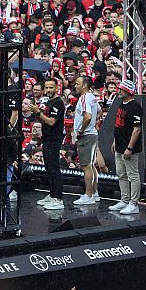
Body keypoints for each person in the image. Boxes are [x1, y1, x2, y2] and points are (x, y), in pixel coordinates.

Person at [28, 77, 67, 211]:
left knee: (54, 169)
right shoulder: (49, 102)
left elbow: (51, 122)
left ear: (57, 88)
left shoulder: (58, 103)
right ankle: (52, 194)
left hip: (54, 139)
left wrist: (37, 112)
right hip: (47, 138)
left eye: (51, 87)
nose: (49, 90)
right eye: (47, 87)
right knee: (49, 168)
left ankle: (58, 199)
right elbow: (45, 121)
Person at [111, 81, 144, 215]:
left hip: (129, 147)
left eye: (121, 89)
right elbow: (119, 126)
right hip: (119, 145)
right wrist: (115, 141)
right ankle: (124, 200)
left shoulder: (135, 107)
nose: (119, 91)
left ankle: (134, 203)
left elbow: (137, 130)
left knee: (133, 175)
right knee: (121, 174)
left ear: (128, 91)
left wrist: (130, 148)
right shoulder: (121, 104)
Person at [69, 75, 102, 207]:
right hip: (92, 134)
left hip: (86, 136)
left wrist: (82, 130)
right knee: (91, 165)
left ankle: (88, 195)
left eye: (77, 84)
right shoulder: (92, 97)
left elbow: (87, 116)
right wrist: (93, 124)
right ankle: (94, 193)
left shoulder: (84, 98)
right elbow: (98, 112)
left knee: (86, 166)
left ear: (84, 85)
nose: (75, 86)